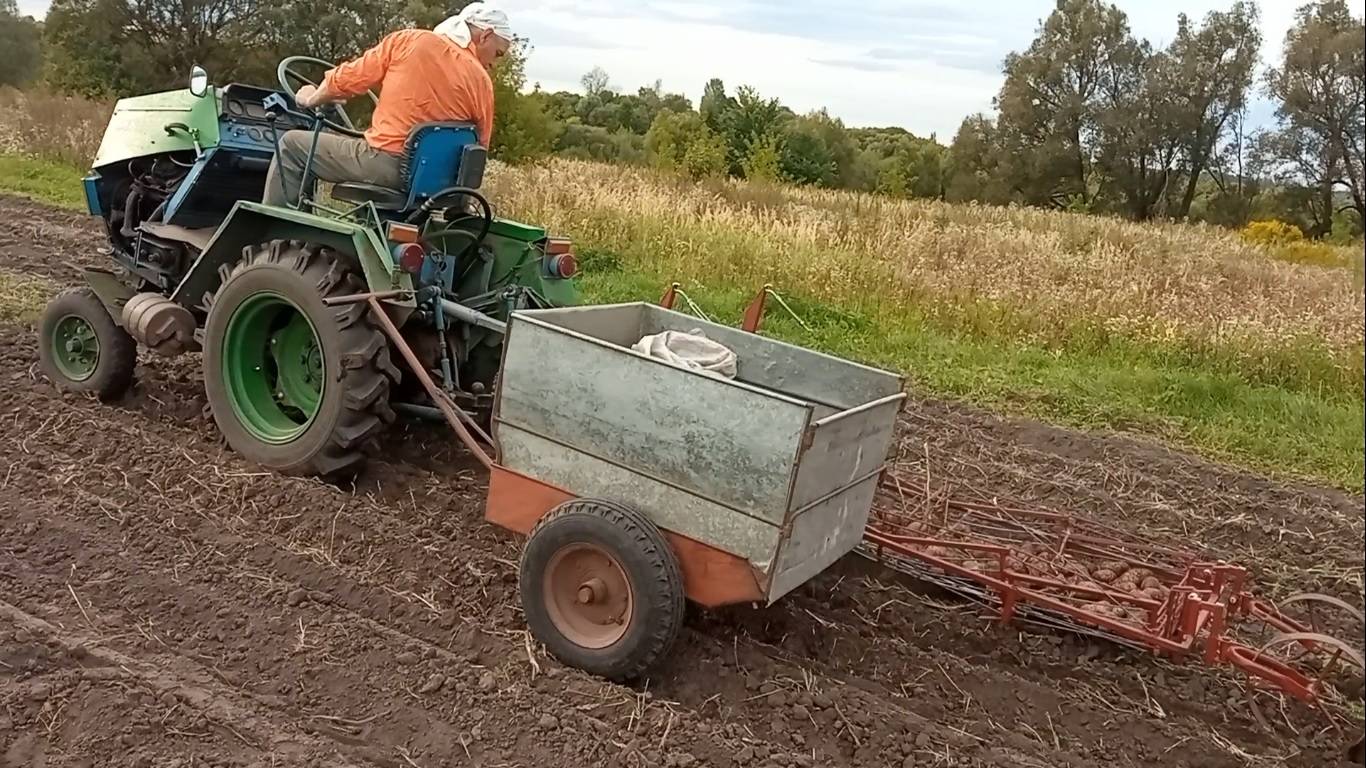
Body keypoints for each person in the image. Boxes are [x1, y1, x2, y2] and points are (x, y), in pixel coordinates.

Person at [262, 3, 513, 207]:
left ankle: (273, 238)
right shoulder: (482, 82)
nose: (494, 63)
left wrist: (311, 97)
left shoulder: (409, 41)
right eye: (498, 54)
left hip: (386, 165)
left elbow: (348, 79)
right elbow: (479, 148)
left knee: (292, 145)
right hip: (438, 185)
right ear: (485, 35)